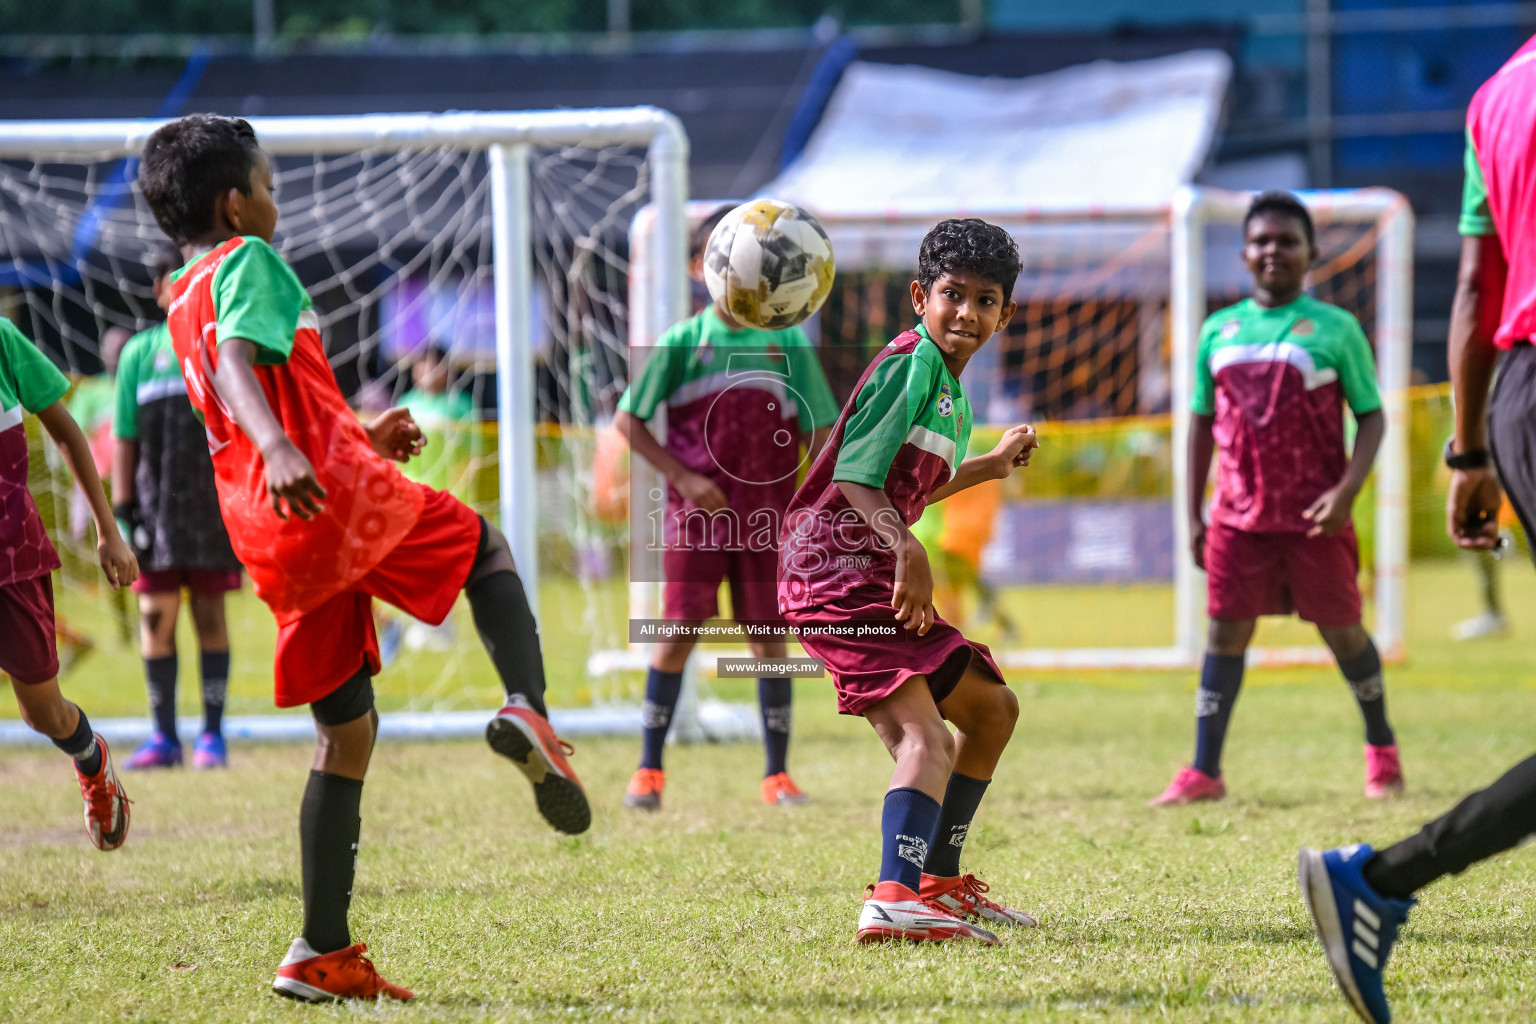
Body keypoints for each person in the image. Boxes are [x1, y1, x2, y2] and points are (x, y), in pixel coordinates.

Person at [138, 113, 589, 1003]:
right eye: (267, 186)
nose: (277, 201)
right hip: (315, 493)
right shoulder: (249, 262)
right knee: (485, 546)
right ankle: (528, 709)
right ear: (234, 205)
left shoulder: (179, 295)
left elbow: (256, 385)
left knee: (345, 733)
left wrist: (350, 431)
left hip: (268, 529)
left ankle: (320, 952)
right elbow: (240, 366)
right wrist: (284, 447)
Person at [1300, 39, 1536, 1024]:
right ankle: (1384, 877)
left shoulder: (1497, 92)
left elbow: (1479, 293)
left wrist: (1472, 451)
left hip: (1520, 395)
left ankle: (1383, 880)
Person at [778, 218, 1039, 943]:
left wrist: (986, 467)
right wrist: (909, 552)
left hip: (865, 573)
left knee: (991, 709)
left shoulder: (949, 388)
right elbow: (859, 478)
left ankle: (940, 884)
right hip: (833, 575)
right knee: (927, 739)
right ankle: (894, 897)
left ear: (1005, 315)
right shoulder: (909, 364)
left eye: (986, 301)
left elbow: (911, 485)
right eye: (952, 295)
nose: (967, 313)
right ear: (920, 297)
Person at [1150, 191, 1404, 807]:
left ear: (1311, 253)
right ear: (1243, 253)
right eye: (1261, 241)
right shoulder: (1219, 329)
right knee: (1224, 636)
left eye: (1286, 241)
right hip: (1237, 517)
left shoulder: (1337, 329)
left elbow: (1372, 418)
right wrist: (1193, 516)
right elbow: (1200, 426)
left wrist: (1346, 494)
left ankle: (1383, 752)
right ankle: (1204, 771)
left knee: (1344, 633)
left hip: (1316, 517)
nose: (1273, 251)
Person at [614, 204, 840, 810]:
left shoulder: (786, 340)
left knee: (769, 638)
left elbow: (819, 427)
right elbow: (627, 419)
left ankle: (777, 775)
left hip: (769, 517)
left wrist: (814, 502)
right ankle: (648, 770)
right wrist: (683, 478)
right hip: (698, 517)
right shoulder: (683, 342)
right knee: (678, 632)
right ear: (702, 267)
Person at [1, 314, 138, 850]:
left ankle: (90, 758)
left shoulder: (4, 338)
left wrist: (109, 530)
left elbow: (64, 429)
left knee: (42, 712)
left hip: (12, 552)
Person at [114, 245, 244, 770]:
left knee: (210, 615)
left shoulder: (214, 347)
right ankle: (163, 737)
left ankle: (212, 736)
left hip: (212, 511)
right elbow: (125, 438)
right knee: (155, 621)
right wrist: (124, 511)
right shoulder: (138, 355)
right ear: (160, 288)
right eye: (178, 277)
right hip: (156, 515)